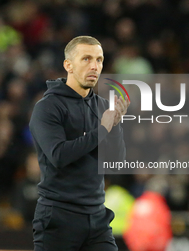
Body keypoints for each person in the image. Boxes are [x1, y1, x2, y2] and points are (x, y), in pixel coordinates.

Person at [29, 35, 130, 251]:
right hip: (58, 218)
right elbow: (59, 155)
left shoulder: (103, 105)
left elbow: (115, 161)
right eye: (86, 59)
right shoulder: (48, 107)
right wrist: (102, 129)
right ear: (68, 65)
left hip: (97, 218)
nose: (95, 66)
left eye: (99, 60)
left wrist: (115, 128)